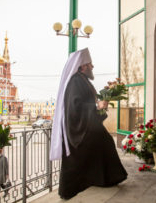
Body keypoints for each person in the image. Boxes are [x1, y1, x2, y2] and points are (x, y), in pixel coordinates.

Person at [50, 48, 127, 199]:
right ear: (83, 66)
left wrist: (99, 106)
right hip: (78, 130)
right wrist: (96, 107)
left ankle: (100, 179)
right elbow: (75, 107)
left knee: (105, 142)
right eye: (90, 64)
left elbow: (86, 103)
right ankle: (100, 180)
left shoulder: (83, 80)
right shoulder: (75, 82)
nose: (93, 67)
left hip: (87, 126)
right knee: (105, 142)